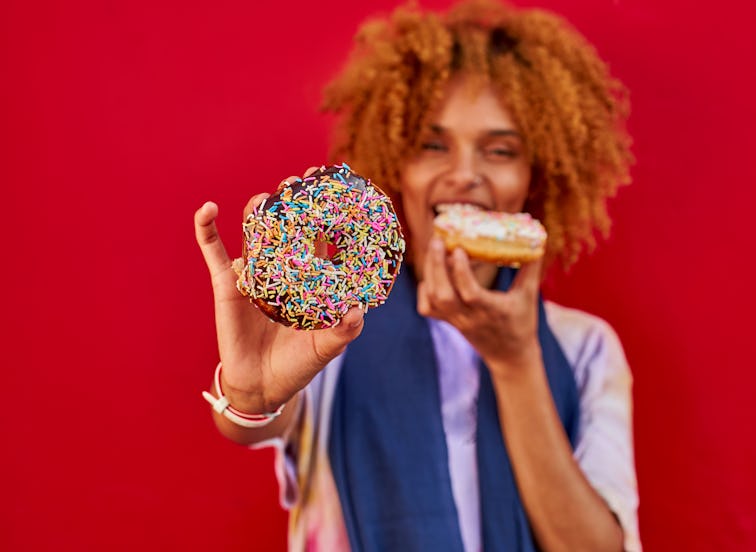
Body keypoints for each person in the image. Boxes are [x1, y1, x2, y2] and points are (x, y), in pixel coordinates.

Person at [194, 0, 640, 550]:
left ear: (536, 176)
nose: (465, 174)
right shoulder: (332, 331)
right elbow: (256, 421)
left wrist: (516, 360)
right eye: (433, 145)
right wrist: (248, 393)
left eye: (500, 151)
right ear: (394, 166)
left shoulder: (586, 348)